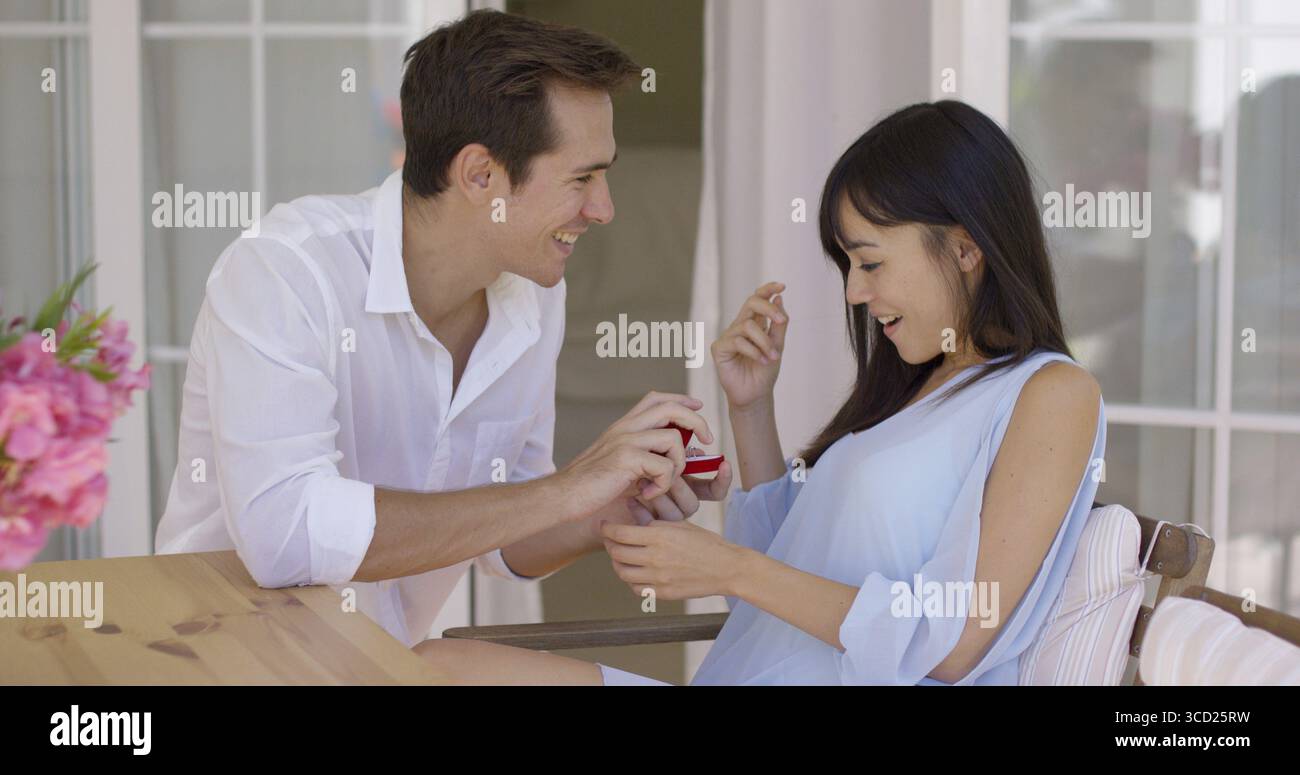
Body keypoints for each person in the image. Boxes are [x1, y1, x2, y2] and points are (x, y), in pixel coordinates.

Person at [413, 100, 1107, 685]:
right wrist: (750, 406)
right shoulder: (922, 390)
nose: (857, 294)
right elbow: (797, 575)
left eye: (869, 261)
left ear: (964, 248)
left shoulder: (1051, 394)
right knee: (429, 667)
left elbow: (955, 642)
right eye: (848, 266)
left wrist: (732, 568)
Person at [154, 10, 730, 648]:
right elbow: (286, 537)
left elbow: (504, 532)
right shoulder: (285, 273)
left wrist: (601, 510)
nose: (604, 209)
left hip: (389, 663)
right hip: (221, 659)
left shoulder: (533, 298)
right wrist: (567, 489)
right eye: (582, 178)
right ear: (480, 175)